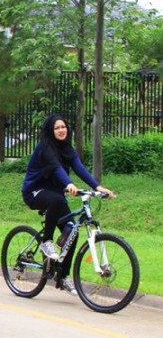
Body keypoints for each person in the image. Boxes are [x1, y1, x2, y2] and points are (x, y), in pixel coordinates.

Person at [22, 113, 114, 296]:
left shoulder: (67, 149)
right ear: (51, 131)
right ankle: (46, 242)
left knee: (71, 231)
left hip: (55, 194)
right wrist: (68, 184)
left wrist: (98, 187)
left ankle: (62, 277)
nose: (61, 130)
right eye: (57, 128)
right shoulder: (45, 148)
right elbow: (56, 168)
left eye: (63, 127)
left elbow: (78, 167)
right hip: (35, 192)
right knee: (56, 200)